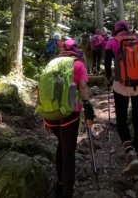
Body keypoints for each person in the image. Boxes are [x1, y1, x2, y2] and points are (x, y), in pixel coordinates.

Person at [43, 38, 94, 198]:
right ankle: (67, 193)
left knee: (61, 145)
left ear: (62, 49)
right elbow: (83, 87)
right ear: (76, 49)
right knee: (69, 154)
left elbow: (44, 90)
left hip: (50, 114)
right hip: (69, 115)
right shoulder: (78, 64)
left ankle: (59, 184)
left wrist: (44, 117)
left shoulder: (51, 64)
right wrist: (87, 108)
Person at [104, 20, 138, 180]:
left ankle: (130, 152)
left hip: (121, 86)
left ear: (116, 30)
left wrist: (109, 78)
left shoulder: (112, 42)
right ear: (128, 29)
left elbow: (106, 62)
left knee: (122, 120)